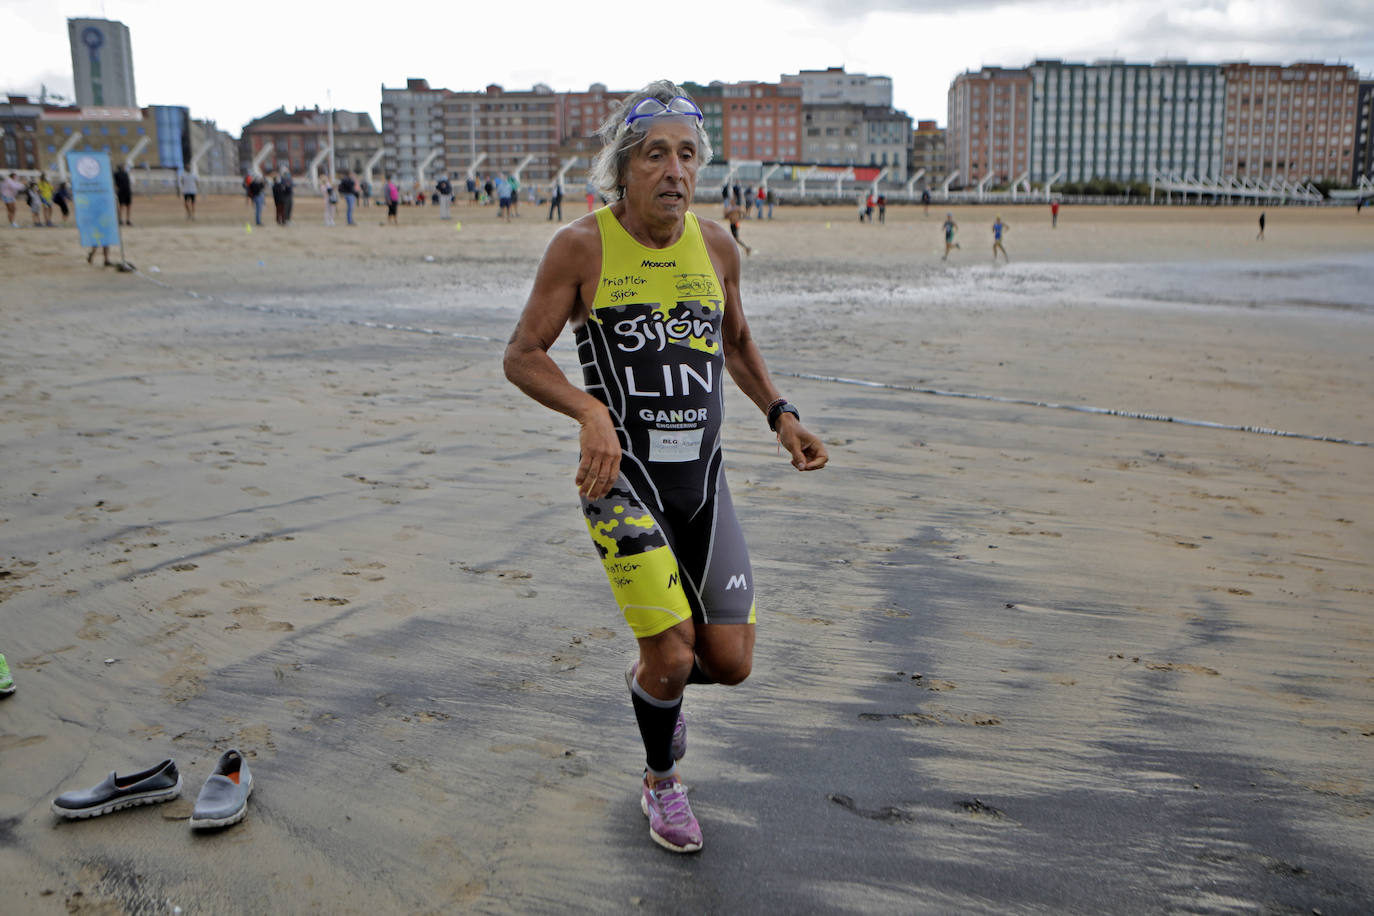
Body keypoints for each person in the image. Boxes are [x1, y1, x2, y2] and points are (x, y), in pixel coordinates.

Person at [503, 80, 828, 855]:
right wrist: (590, 413)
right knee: (676, 652)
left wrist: (782, 415)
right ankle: (661, 782)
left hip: (703, 486)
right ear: (625, 169)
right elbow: (522, 356)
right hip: (619, 485)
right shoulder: (582, 247)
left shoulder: (716, 246)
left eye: (687, 154)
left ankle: (656, 684)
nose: (675, 170)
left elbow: (738, 343)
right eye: (657, 155)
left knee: (730, 662)